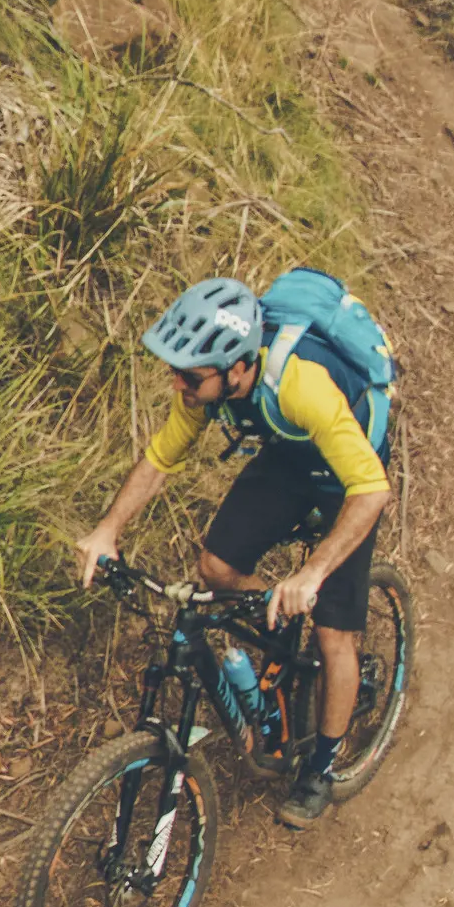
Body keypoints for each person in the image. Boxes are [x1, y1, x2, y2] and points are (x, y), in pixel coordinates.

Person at [73, 275, 394, 830]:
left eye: (190, 376)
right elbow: (160, 460)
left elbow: (372, 489)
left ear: (240, 368)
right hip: (292, 453)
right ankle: (279, 634)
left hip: (350, 472)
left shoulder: (300, 386)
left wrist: (313, 573)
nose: (178, 385)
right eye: (177, 372)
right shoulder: (208, 389)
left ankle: (321, 767)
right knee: (216, 567)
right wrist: (108, 531)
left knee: (333, 633)